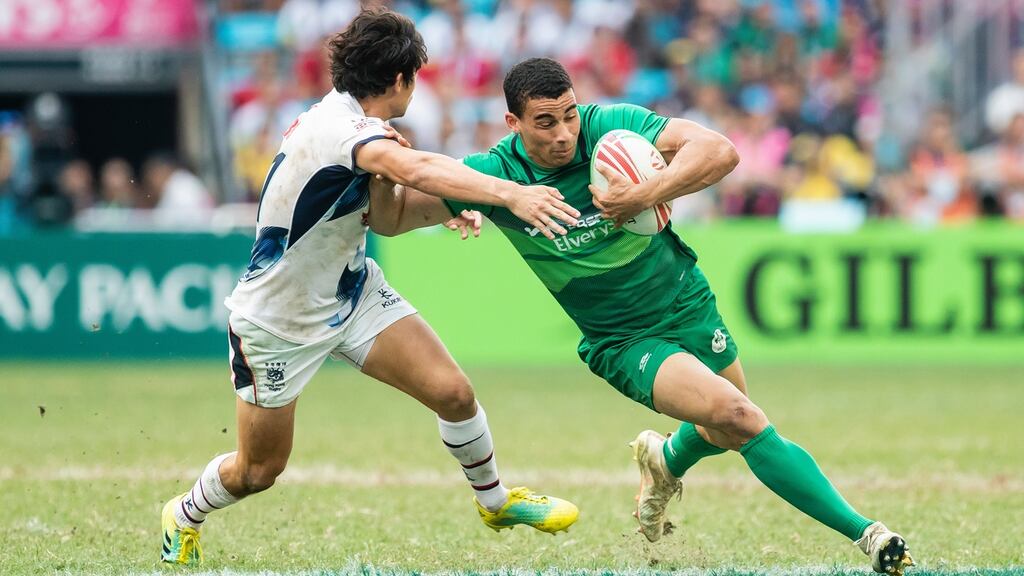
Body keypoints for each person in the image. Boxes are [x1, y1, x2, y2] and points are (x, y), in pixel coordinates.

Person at [369, 57, 914, 576]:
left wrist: (645, 194)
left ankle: (666, 459)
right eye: (544, 122)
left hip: (685, 298)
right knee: (742, 418)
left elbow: (719, 151)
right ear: (512, 122)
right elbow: (390, 219)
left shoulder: (611, 129)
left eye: (568, 114)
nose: (563, 133)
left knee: (721, 429)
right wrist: (381, 156)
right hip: (624, 339)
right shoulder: (496, 176)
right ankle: (870, 536)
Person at [159, 11, 580, 566]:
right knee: (258, 471)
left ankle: (496, 502)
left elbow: (386, 212)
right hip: (278, 320)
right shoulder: (342, 129)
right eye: (416, 77)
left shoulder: (360, 124)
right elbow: (416, 166)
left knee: (453, 394)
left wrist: (454, 206)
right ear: (401, 80)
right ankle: (183, 513)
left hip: (352, 292)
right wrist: (507, 194)